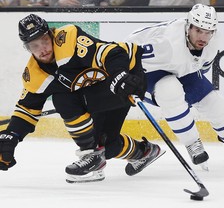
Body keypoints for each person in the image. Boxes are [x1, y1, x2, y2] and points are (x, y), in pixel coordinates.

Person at [0, 14, 165, 183]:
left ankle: (90, 154)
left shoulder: (68, 39)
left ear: (51, 34)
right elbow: (26, 109)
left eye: (44, 40)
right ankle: (144, 152)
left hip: (127, 76)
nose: (43, 49)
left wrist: (120, 75)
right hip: (98, 90)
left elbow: (113, 53)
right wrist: (11, 136)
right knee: (107, 146)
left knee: (63, 100)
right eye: (35, 46)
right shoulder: (35, 74)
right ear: (27, 48)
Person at [126, 4, 224, 170]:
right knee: (170, 90)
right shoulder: (165, 44)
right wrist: (126, 78)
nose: (203, 37)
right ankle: (192, 143)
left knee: (213, 102)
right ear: (188, 27)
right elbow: (127, 51)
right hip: (149, 71)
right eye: (198, 31)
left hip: (181, 68)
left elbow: (199, 67)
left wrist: (194, 93)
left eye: (208, 32)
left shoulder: (213, 43)